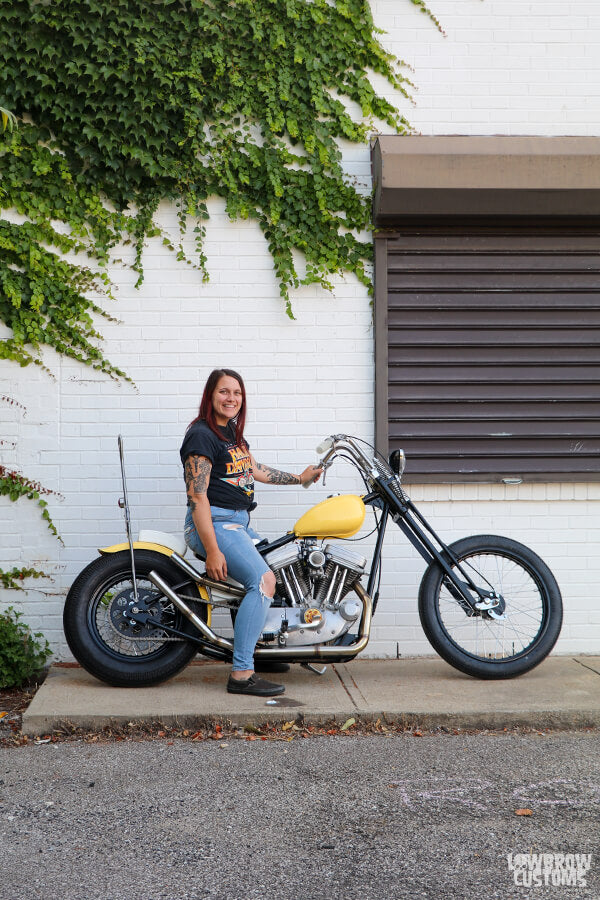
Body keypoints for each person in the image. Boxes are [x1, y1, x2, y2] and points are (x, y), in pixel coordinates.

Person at [180, 368, 322, 696]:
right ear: (210, 396)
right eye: (224, 392)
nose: (231, 399)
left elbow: (254, 470)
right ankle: (242, 674)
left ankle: (258, 651)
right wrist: (213, 550)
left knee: (281, 569)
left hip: (239, 523)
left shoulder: (230, 433)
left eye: (237, 393)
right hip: (214, 524)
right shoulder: (202, 435)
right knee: (263, 581)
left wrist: (299, 478)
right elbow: (197, 497)